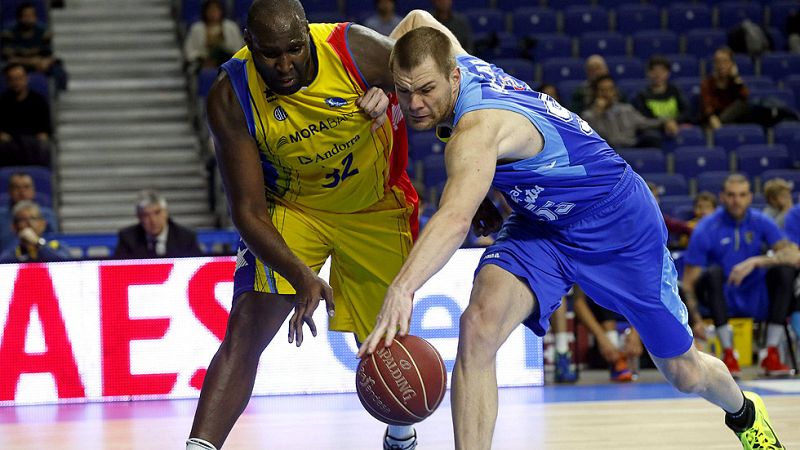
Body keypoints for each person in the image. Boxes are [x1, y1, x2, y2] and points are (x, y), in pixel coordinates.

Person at [356, 12, 786, 450]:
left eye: (427, 90)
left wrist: (403, 289)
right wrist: (377, 82)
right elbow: (416, 19)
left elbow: (453, 219)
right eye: (404, 91)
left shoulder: (476, 129)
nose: (414, 105)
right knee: (478, 326)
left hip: (618, 222)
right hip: (542, 223)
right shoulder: (451, 59)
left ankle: (744, 413)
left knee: (684, 372)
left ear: (452, 76)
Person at [186, 1, 420, 449]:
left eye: (295, 48)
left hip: (373, 207)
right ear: (248, 43)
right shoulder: (230, 96)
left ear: (308, 33)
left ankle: (400, 435)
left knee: (388, 344)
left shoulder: (357, 51)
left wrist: (393, 98)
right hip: (295, 210)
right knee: (246, 329)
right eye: (270, 53)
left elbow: (445, 93)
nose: (285, 63)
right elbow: (248, 211)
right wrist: (300, 274)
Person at [682, 174, 794, 378]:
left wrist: (756, 261)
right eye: (732, 195)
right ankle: (728, 353)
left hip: (756, 295)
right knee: (713, 273)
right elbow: (688, 283)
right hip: (720, 295)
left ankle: (771, 352)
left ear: (750, 197)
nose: (737, 200)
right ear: (722, 197)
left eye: (742, 195)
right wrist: (695, 320)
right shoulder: (707, 227)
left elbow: (794, 255)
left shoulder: (761, 221)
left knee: (784, 271)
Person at [581, 75, 673, 149]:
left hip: (631, 147)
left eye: (610, 89)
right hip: (608, 152)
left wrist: (666, 121)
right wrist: (598, 114)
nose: (607, 93)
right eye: (602, 90)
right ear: (596, 93)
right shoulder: (588, 116)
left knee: (653, 138)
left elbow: (646, 122)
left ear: (615, 91)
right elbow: (593, 139)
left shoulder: (627, 109)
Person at [573, 286, 642, 382]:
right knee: (603, 290)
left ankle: (621, 358)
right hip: (602, 319)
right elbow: (578, 302)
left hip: (632, 316)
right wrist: (602, 338)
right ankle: (616, 356)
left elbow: (647, 296)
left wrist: (637, 332)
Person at [114, 190, 202, 259]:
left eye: (157, 212)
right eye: (146, 215)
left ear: (166, 212)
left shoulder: (185, 238)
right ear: (139, 217)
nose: (153, 220)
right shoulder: (128, 239)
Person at [0, 2, 68, 90]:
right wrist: (32, 61)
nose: (29, 19)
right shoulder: (8, 33)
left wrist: (46, 62)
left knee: (57, 69)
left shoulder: (43, 32)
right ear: (19, 18)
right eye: (26, 16)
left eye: (31, 16)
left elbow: (48, 54)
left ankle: (57, 96)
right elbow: (9, 58)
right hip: (16, 65)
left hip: (38, 65)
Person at [0, 63, 52, 167]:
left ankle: (38, 174)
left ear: (26, 79)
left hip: (33, 141)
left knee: (43, 145)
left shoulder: (39, 101)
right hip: (9, 141)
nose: (16, 82)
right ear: (8, 82)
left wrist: (43, 135)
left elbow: (46, 129)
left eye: (19, 78)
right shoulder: (2, 101)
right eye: (12, 79)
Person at [0, 171, 57, 250]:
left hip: (42, 258)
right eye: (16, 187)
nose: (21, 192)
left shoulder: (47, 215)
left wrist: (38, 242)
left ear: (33, 190)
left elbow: (54, 244)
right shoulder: (1, 215)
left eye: (26, 187)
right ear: (9, 191)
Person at [183, 0, 244, 73]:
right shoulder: (196, 28)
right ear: (205, 12)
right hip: (203, 63)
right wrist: (201, 58)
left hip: (228, 61)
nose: (213, 13)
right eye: (210, 10)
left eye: (216, 10)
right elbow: (189, 50)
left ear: (221, 11)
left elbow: (239, 47)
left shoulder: (231, 27)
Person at [0, 200, 70, 263]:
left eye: (33, 218)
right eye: (23, 219)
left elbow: (64, 263)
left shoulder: (56, 246)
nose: (29, 222)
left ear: (43, 224)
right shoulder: (9, 251)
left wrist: (37, 243)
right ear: (14, 227)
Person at [633, 56, 689, 131]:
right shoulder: (642, 95)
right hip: (654, 130)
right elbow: (645, 119)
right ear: (648, 73)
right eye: (654, 71)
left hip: (675, 125)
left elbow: (686, 112)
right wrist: (665, 123)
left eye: (662, 71)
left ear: (668, 73)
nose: (658, 75)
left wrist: (674, 121)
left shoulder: (675, 91)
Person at [700, 47, 749, 130]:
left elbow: (744, 99)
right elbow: (707, 108)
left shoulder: (735, 82)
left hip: (732, 121)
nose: (721, 65)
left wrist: (736, 77)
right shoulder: (707, 83)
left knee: (742, 103)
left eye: (725, 61)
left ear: (732, 64)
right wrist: (713, 119)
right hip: (712, 121)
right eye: (718, 62)